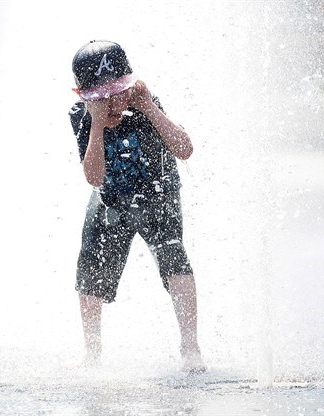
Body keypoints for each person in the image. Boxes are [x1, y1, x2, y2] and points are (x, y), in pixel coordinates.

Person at [68, 40, 206, 373]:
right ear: (82, 96)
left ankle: (191, 348)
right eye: (100, 99)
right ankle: (92, 352)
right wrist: (98, 125)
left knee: (175, 257)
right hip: (110, 197)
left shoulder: (145, 103)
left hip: (158, 194)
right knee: (90, 266)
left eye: (117, 93)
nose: (112, 104)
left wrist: (149, 108)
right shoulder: (82, 117)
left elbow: (185, 149)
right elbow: (93, 176)